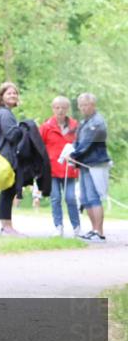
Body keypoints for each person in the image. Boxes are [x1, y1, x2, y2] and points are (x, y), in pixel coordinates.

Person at [63, 93, 111, 242]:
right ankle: (93, 230)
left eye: (86, 105)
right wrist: (71, 152)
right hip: (84, 164)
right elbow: (77, 141)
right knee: (85, 198)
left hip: (95, 164)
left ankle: (99, 232)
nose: (83, 108)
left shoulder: (97, 121)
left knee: (94, 197)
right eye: (80, 105)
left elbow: (88, 144)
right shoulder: (84, 122)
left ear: (93, 105)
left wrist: (74, 155)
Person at [39, 96, 80, 237]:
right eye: (57, 107)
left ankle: (76, 227)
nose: (60, 110)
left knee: (70, 198)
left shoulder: (75, 126)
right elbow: (39, 146)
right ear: (53, 108)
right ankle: (58, 227)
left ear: (67, 109)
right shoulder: (46, 126)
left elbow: (80, 145)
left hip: (70, 169)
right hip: (51, 170)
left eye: (63, 107)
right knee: (55, 197)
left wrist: (76, 158)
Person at [0, 82, 23, 236]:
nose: (13, 95)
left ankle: (7, 227)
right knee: (8, 192)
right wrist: (23, 128)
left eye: (15, 93)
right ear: (1, 96)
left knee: (7, 191)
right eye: (9, 93)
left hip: (0, 156)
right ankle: (6, 227)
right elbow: (12, 135)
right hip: (6, 157)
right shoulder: (5, 113)